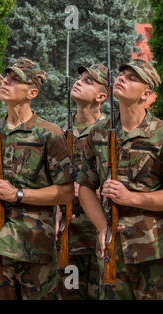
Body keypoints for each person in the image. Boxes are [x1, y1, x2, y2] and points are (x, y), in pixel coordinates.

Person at [77, 58, 163, 300]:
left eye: (132, 77)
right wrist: (102, 227)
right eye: (122, 75)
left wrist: (131, 198)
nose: (122, 78)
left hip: (152, 251)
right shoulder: (98, 133)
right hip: (110, 248)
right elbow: (85, 187)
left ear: (146, 93)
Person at [0, 57, 75, 299]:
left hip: (33, 247)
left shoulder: (49, 134)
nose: (6, 82)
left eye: (15, 80)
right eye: (7, 77)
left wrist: (18, 195)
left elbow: (66, 192)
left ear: (32, 92)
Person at [56, 64, 108, 300]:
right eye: (80, 78)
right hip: (68, 232)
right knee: (69, 294)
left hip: (101, 231)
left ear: (101, 96)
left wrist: (88, 191)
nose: (79, 81)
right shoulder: (59, 133)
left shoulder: (110, 134)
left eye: (89, 81)